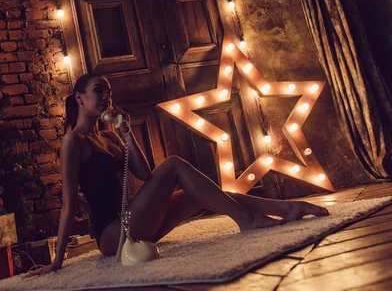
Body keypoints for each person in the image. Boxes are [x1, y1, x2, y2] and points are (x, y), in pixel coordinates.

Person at [26, 73, 329, 277]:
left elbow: (144, 174)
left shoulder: (110, 136)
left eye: (109, 92)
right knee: (173, 165)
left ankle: (284, 208)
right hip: (112, 236)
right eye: (98, 91)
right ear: (78, 98)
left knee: (193, 195)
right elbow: (67, 205)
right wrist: (57, 261)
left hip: (135, 224)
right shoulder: (74, 141)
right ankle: (248, 220)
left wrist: (127, 132)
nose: (106, 96)